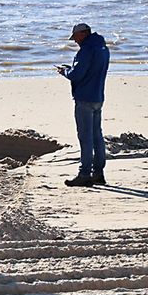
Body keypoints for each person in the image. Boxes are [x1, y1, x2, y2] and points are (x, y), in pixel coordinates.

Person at [57, 22, 110, 187]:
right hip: (98, 96)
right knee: (97, 136)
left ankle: (84, 174)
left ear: (82, 34)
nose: (75, 41)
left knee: (85, 138)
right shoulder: (103, 48)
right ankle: (98, 173)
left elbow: (77, 75)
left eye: (75, 38)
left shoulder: (86, 50)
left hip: (85, 98)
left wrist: (65, 71)